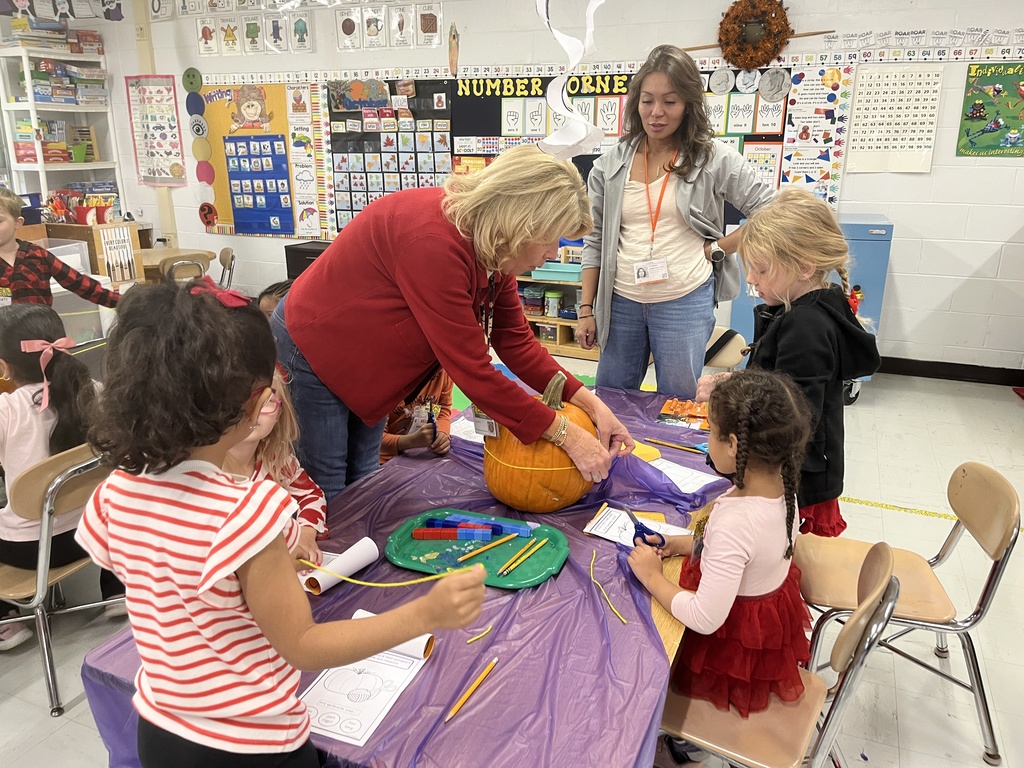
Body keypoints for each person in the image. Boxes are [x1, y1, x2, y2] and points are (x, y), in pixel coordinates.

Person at [76, 279, 486, 767]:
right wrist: (424, 615)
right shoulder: (248, 513)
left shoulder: (116, 491)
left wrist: (244, 578)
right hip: (252, 747)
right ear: (253, 401)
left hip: (161, 730)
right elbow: (304, 645)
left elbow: (162, 574)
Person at [272, 143, 634, 501]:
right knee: (328, 490)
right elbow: (472, 372)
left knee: (365, 480)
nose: (553, 253)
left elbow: (516, 343)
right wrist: (566, 434)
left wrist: (592, 405)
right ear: (521, 223)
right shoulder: (433, 243)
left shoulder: (493, 246)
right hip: (313, 350)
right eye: (550, 239)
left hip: (366, 358)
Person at [627, 369, 813, 757]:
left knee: (644, 656)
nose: (704, 440)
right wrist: (684, 543)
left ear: (732, 444)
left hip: (727, 643)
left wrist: (651, 577)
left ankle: (689, 745)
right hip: (757, 613)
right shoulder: (781, 485)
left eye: (709, 432)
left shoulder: (736, 521)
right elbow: (748, 558)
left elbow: (706, 617)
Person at [578, 45, 774, 399]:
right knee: (611, 398)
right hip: (621, 300)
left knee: (679, 402)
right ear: (635, 103)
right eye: (647, 100)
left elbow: (770, 209)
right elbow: (594, 241)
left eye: (669, 101)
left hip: (684, 300)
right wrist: (586, 309)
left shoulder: (711, 158)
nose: (656, 113)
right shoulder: (609, 166)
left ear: (688, 104)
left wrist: (718, 248)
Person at [698, 187, 880, 536]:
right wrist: (729, 382)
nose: (751, 279)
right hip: (799, 472)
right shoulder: (806, 306)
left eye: (762, 270)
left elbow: (788, 413)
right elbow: (782, 379)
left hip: (793, 483)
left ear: (804, 268)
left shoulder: (805, 326)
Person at [0, 305, 123, 652]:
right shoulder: (94, 391)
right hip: (94, 536)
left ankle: (6, 620)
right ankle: (116, 588)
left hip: (27, 551)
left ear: (5, 368)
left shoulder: (7, 410)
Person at [224, 366, 327, 567]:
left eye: (267, 402)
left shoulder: (277, 459)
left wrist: (306, 535)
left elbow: (312, 496)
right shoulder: (210, 467)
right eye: (244, 401)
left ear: (279, 414)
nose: (254, 413)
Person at [0, 188, 119, 309]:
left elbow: (78, 283)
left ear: (18, 222)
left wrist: (123, 302)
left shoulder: (37, 255)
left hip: (41, 326)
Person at [380, 368, 453, 463]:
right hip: (385, 459)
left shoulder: (444, 373)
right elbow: (373, 440)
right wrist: (411, 441)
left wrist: (443, 433)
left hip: (422, 453)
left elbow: (444, 409)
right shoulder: (386, 379)